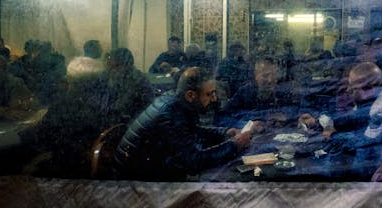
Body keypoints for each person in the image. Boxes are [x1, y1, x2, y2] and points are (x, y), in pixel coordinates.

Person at [114, 66, 252, 181]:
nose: (214, 99)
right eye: (209, 94)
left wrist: (225, 132)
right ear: (190, 95)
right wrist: (234, 145)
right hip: (133, 181)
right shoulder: (170, 114)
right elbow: (193, 161)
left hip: (143, 169)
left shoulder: (175, 100)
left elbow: (191, 131)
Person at [220, 56, 298, 129]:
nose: (270, 80)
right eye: (265, 76)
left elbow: (295, 111)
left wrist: (289, 117)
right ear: (256, 75)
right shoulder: (244, 93)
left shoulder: (282, 92)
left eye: (273, 75)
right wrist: (248, 125)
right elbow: (223, 118)